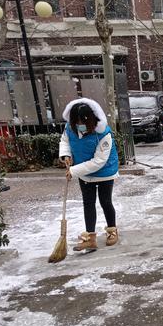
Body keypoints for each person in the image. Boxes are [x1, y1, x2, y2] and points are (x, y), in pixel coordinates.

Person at [59, 98, 119, 253]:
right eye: (76, 121)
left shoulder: (103, 133)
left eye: (83, 121)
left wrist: (73, 171)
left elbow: (99, 161)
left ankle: (112, 230)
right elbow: (64, 140)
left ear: (91, 119)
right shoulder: (70, 128)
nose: (79, 124)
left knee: (105, 201)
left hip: (105, 171)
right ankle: (90, 237)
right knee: (88, 203)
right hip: (84, 173)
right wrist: (65, 154)